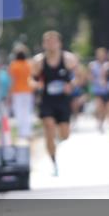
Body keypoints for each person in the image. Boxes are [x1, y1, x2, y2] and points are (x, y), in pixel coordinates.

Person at [31, 31, 79, 176]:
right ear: (44, 44)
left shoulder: (68, 59)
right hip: (47, 101)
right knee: (49, 126)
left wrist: (71, 85)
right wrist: (36, 85)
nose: (51, 44)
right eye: (48, 42)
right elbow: (31, 79)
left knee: (65, 135)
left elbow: (78, 76)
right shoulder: (39, 61)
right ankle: (54, 163)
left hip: (63, 101)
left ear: (59, 43)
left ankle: (56, 141)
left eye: (54, 41)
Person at [8, 47, 34, 141]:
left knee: (19, 112)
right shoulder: (29, 64)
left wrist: (9, 93)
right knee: (27, 112)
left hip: (17, 92)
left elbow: (12, 80)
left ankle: (21, 132)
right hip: (28, 91)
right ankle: (28, 131)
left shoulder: (13, 65)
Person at [88, 47, 109, 132]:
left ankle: (102, 122)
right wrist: (96, 80)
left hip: (106, 90)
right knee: (99, 106)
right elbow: (89, 77)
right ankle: (99, 123)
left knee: (105, 109)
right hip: (97, 89)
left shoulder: (108, 65)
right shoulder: (92, 65)